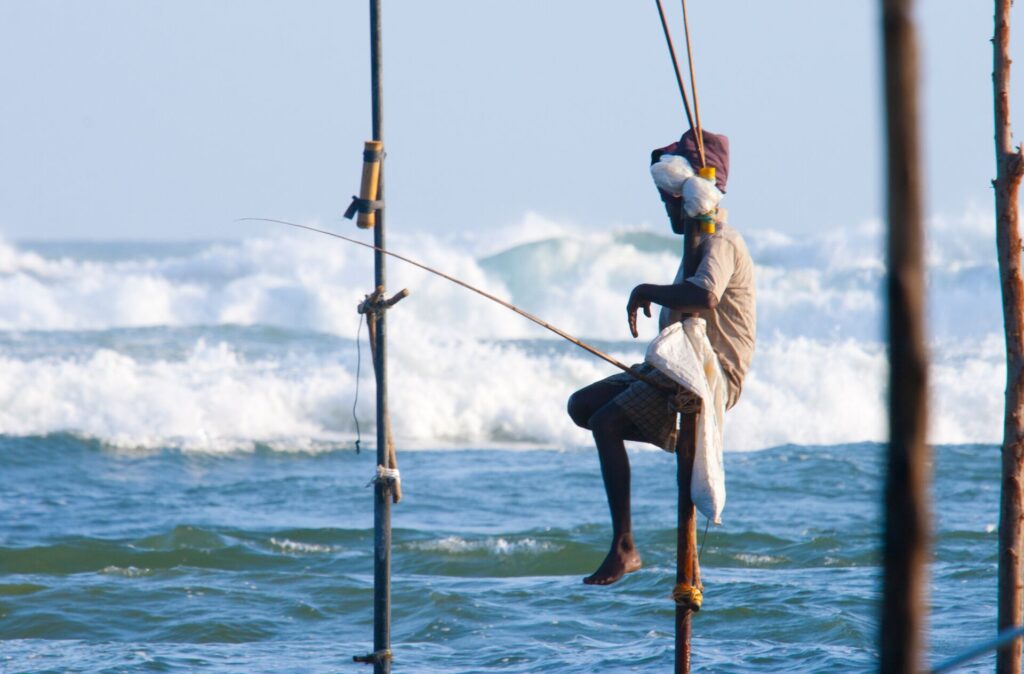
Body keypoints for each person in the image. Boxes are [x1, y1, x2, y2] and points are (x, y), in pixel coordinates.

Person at [567, 129, 756, 585]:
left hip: (708, 376)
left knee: (607, 422)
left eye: (669, 201)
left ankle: (624, 547)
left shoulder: (721, 242)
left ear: (686, 198)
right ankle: (666, 431)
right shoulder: (696, 244)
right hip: (675, 368)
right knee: (584, 407)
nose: (666, 210)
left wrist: (645, 289)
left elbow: (705, 297)